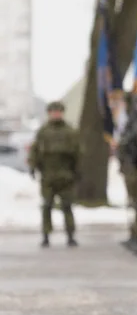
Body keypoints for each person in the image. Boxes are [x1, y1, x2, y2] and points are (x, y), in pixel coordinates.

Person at [29, 101, 81, 248]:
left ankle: (70, 235)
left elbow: (78, 153)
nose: (56, 114)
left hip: (66, 175)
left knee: (67, 206)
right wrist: (33, 167)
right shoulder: (43, 132)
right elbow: (35, 151)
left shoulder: (70, 131)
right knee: (46, 206)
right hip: (48, 175)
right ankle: (46, 235)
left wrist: (78, 171)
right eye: (53, 112)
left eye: (58, 111)